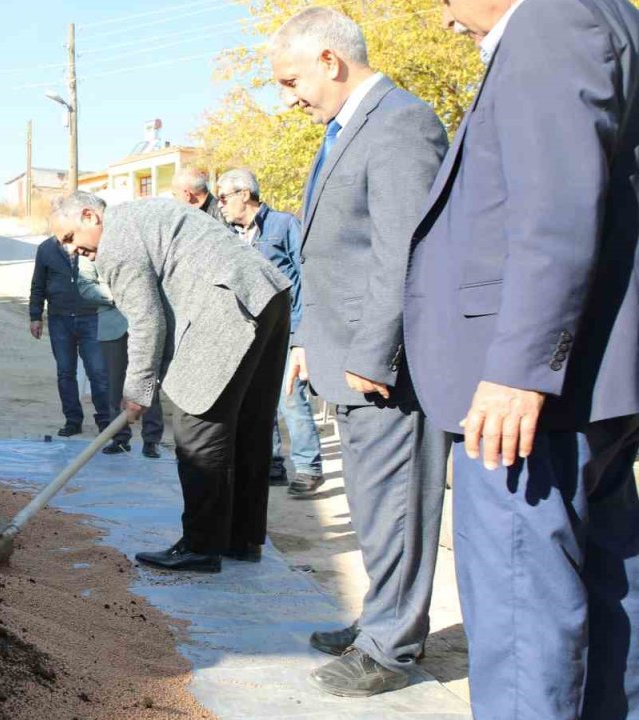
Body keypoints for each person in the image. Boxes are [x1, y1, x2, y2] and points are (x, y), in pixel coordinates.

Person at [407, 0, 639, 714]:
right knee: (610, 594)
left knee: (520, 613)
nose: (445, 20)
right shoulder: (609, 14)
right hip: (591, 383)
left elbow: (556, 209)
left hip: (527, 392)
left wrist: (519, 370)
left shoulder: (551, 21)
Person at [268, 8, 449, 697]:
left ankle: (391, 647)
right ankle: (383, 617)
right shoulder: (346, 129)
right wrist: (314, 342)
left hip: (384, 367)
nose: (289, 99)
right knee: (375, 509)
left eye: (292, 81)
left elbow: (404, 252)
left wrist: (373, 353)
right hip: (344, 356)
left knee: (397, 505)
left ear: (329, 61)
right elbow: (333, 253)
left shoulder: (400, 123)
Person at [52, 192, 291, 575]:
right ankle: (242, 540)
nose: (72, 250)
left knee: (198, 428)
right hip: (268, 295)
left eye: (69, 237)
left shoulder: (116, 241)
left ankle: (200, 546)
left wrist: (137, 391)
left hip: (227, 304)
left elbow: (148, 323)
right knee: (248, 424)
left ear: (88, 215)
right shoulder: (143, 211)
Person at [215, 168, 323, 495]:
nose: (219, 205)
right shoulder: (230, 236)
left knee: (290, 399)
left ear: (244, 195)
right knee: (259, 401)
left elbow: (307, 276)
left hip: (288, 328)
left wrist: (303, 329)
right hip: (251, 331)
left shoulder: (284, 225)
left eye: (223, 197)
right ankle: (272, 463)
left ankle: (308, 468)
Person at [76, 258, 163, 457]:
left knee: (148, 382)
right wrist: (122, 296)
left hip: (145, 323)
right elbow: (86, 287)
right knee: (114, 386)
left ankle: (152, 440)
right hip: (111, 327)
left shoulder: (135, 241)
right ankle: (120, 438)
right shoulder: (90, 254)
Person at [29, 233, 111, 438]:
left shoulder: (92, 243)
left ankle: (105, 421)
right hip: (59, 320)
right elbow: (38, 284)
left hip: (91, 317)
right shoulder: (46, 249)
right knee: (65, 372)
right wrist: (35, 316)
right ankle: (73, 420)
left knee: (98, 372)